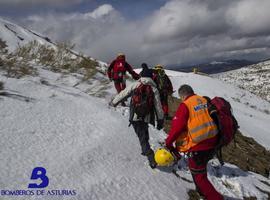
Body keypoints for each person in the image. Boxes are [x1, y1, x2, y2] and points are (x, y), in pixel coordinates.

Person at [165, 84, 223, 200]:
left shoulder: (185, 105)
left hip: (199, 145)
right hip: (214, 141)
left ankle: (216, 198)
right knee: (201, 172)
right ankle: (203, 193)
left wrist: (168, 142)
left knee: (199, 177)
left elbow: (177, 127)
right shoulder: (203, 99)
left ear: (182, 96)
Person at [111, 66, 164, 168]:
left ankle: (149, 155)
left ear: (142, 75)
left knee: (142, 136)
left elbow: (123, 94)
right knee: (143, 132)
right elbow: (158, 107)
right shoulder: (154, 88)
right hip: (146, 117)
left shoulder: (135, 85)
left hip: (135, 115)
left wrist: (113, 102)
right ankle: (146, 149)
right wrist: (160, 120)